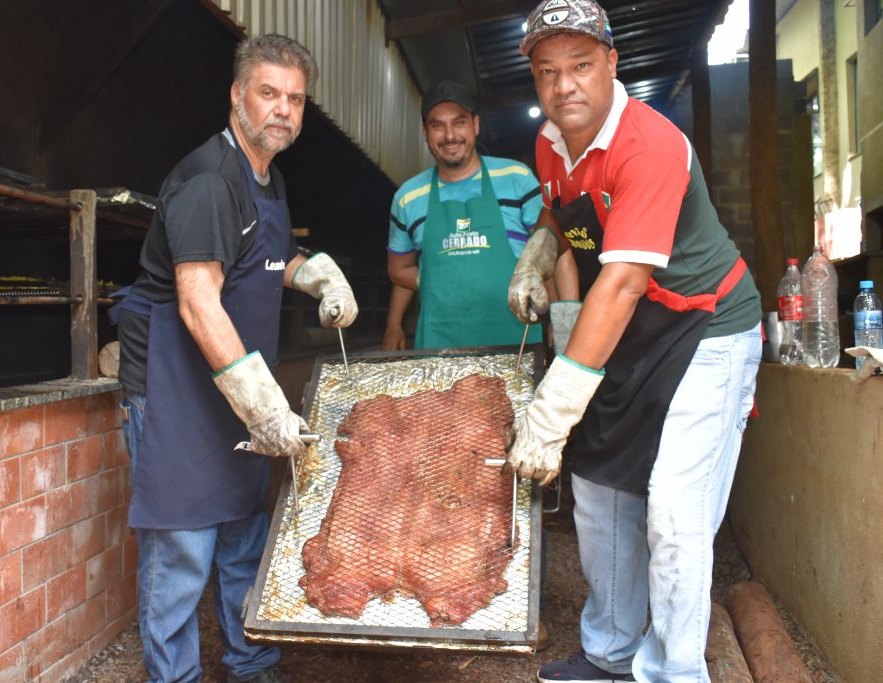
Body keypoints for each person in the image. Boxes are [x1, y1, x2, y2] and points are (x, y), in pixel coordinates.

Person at [505, 2, 763, 682]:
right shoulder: (550, 141)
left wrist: (550, 414)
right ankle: (610, 652)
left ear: (612, 65)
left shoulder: (647, 144)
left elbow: (618, 283)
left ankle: (676, 671)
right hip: (635, 331)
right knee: (598, 487)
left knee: (675, 515)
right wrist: (538, 249)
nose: (565, 87)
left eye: (581, 66)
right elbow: (563, 209)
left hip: (705, 323)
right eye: (548, 72)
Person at [114, 34, 358, 683]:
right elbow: (198, 302)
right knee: (182, 551)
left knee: (245, 537)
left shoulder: (266, 177)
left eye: (295, 99)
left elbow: (264, 258)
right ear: (237, 94)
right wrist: (263, 404)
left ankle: (250, 663)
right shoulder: (206, 182)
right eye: (268, 93)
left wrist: (317, 276)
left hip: (233, 388)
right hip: (178, 394)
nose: (282, 109)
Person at [383, 79, 578, 351]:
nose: (450, 135)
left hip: (514, 343)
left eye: (459, 122)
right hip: (438, 347)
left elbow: (552, 253)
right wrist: (440, 281)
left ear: (475, 125)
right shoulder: (408, 197)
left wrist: (560, 317)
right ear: (426, 133)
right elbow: (398, 270)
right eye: (438, 125)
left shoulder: (516, 178)